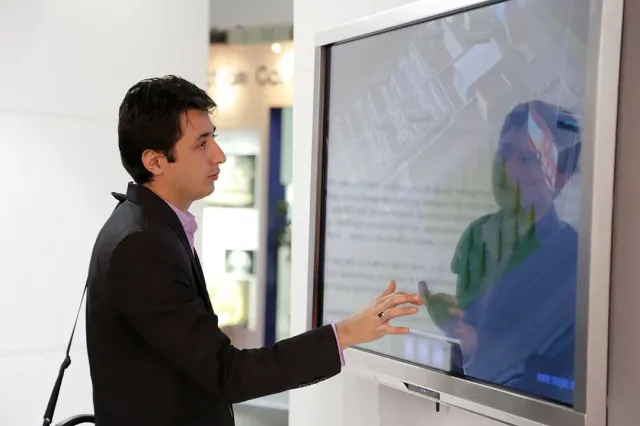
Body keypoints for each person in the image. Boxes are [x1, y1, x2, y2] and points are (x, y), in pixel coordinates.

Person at [84, 75, 423, 426]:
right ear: (155, 161)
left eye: (214, 138)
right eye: (201, 144)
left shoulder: (144, 225)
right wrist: (347, 332)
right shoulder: (142, 243)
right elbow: (226, 373)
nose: (219, 156)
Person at [420, 100, 581, 405]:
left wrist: (476, 344)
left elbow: (557, 372)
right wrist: (454, 327)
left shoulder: (573, 258)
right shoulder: (477, 234)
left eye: (528, 159)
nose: (509, 168)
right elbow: (460, 350)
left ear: (558, 179)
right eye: (504, 153)